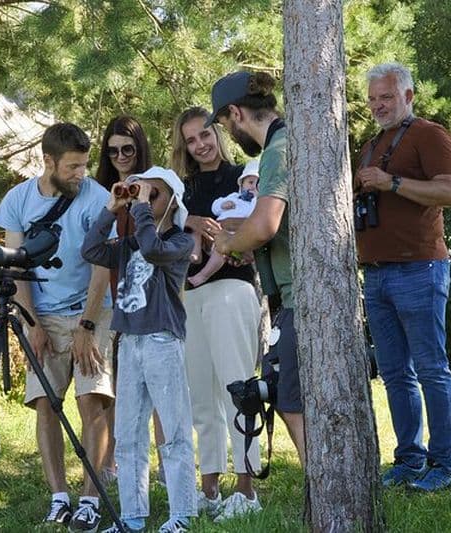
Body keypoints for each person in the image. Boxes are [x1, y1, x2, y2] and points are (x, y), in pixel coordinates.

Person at [0, 122, 115, 531]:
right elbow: (15, 264)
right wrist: (32, 323)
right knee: (45, 402)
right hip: (41, 314)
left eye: (84, 165)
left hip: (90, 310)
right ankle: (59, 497)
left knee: (91, 399)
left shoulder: (97, 197)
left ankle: (90, 500)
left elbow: (102, 266)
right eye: (72, 167)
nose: (81, 174)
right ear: (48, 161)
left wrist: (87, 325)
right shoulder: (18, 199)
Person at [354, 62, 451, 492]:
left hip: (420, 268)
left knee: (432, 369)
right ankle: (409, 460)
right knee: (395, 374)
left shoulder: (430, 135)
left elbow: (450, 192)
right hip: (376, 274)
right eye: (372, 99)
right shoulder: (370, 146)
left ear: (409, 96)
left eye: (387, 97)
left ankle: (443, 465)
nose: (378, 105)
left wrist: (391, 182)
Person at [82, 166, 197, 533]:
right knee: (128, 435)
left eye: (153, 193)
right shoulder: (129, 243)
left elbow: (152, 249)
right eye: (139, 193)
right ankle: (131, 518)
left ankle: (182, 514)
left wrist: (142, 208)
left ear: (172, 201)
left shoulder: (180, 242)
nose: (143, 200)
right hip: (129, 341)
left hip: (163, 339)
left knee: (174, 431)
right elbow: (91, 249)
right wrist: (112, 208)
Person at [208, 71, 306, 465]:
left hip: (300, 297)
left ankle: (320, 484)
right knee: (285, 393)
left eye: (224, 124)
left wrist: (228, 243)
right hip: (294, 295)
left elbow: (265, 224)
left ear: (236, 113)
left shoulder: (277, 150)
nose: (230, 134)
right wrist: (246, 241)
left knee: (289, 399)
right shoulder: (289, 141)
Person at [171, 107, 263, 521]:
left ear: (218, 134)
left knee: (237, 388)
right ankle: (209, 487)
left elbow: (261, 233)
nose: (200, 145)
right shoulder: (181, 189)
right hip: (190, 294)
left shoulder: (243, 177)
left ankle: (246, 487)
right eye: (191, 140)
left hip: (232, 289)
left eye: (205, 135)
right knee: (200, 395)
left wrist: (228, 237)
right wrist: (189, 219)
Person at [187, 159, 259, 288]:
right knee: (197, 227)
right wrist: (222, 205)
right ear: (242, 184)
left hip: (230, 236)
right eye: (250, 182)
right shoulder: (234, 197)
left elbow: (255, 219)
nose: (253, 186)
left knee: (220, 252)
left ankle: (203, 275)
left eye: (258, 183)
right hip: (216, 229)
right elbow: (215, 207)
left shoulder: (256, 202)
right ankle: (195, 253)